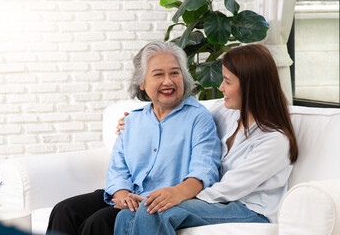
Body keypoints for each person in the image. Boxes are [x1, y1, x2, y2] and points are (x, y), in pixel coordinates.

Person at [114, 43, 298, 235]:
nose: (220, 87)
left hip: (249, 209)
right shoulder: (225, 113)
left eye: (227, 81)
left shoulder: (274, 141)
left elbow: (230, 188)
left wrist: (178, 194)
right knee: (126, 215)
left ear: (249, 86)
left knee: (154, 210)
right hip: (220, 203)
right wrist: (136, 122)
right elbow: (185, 119)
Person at [46, 41, 221, 235]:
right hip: (128, 195)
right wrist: (121, 194)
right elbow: (118, 168)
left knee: (98, 223)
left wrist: (176, 193)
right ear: (142, 83)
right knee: (64, 210)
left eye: (174, 73)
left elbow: (204, 171)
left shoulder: (198, 117)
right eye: (158, 74)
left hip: (160, 201)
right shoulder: (132, 120)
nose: (168, 81)